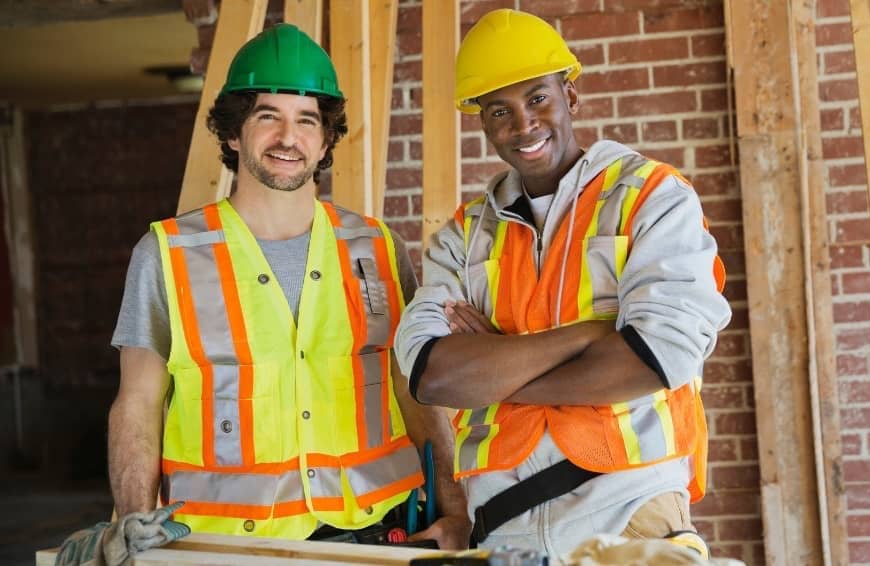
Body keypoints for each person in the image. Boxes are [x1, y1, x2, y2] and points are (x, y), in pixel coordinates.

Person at [108, 23, 469, 548]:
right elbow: (137, 402)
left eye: (306, 120)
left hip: (377, 531)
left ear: (325, 141)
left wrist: (455, 509)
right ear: (234, 132)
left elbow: (414, 389)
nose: (288, 137)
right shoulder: (167, 254)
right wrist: (130, 525)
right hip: (224, 542)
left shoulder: (377, 248)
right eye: (267, 116)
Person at [394, 8, 731, 559]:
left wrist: (496, 372)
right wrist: (586, 337)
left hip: (633, 511)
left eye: (538, 98)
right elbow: (432, 376)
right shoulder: (461, 236)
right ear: (481, 121)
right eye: (499, 109)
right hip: (504, 528)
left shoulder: (651, 198)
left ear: (570, 97)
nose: (522, 125)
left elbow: (656, 357)